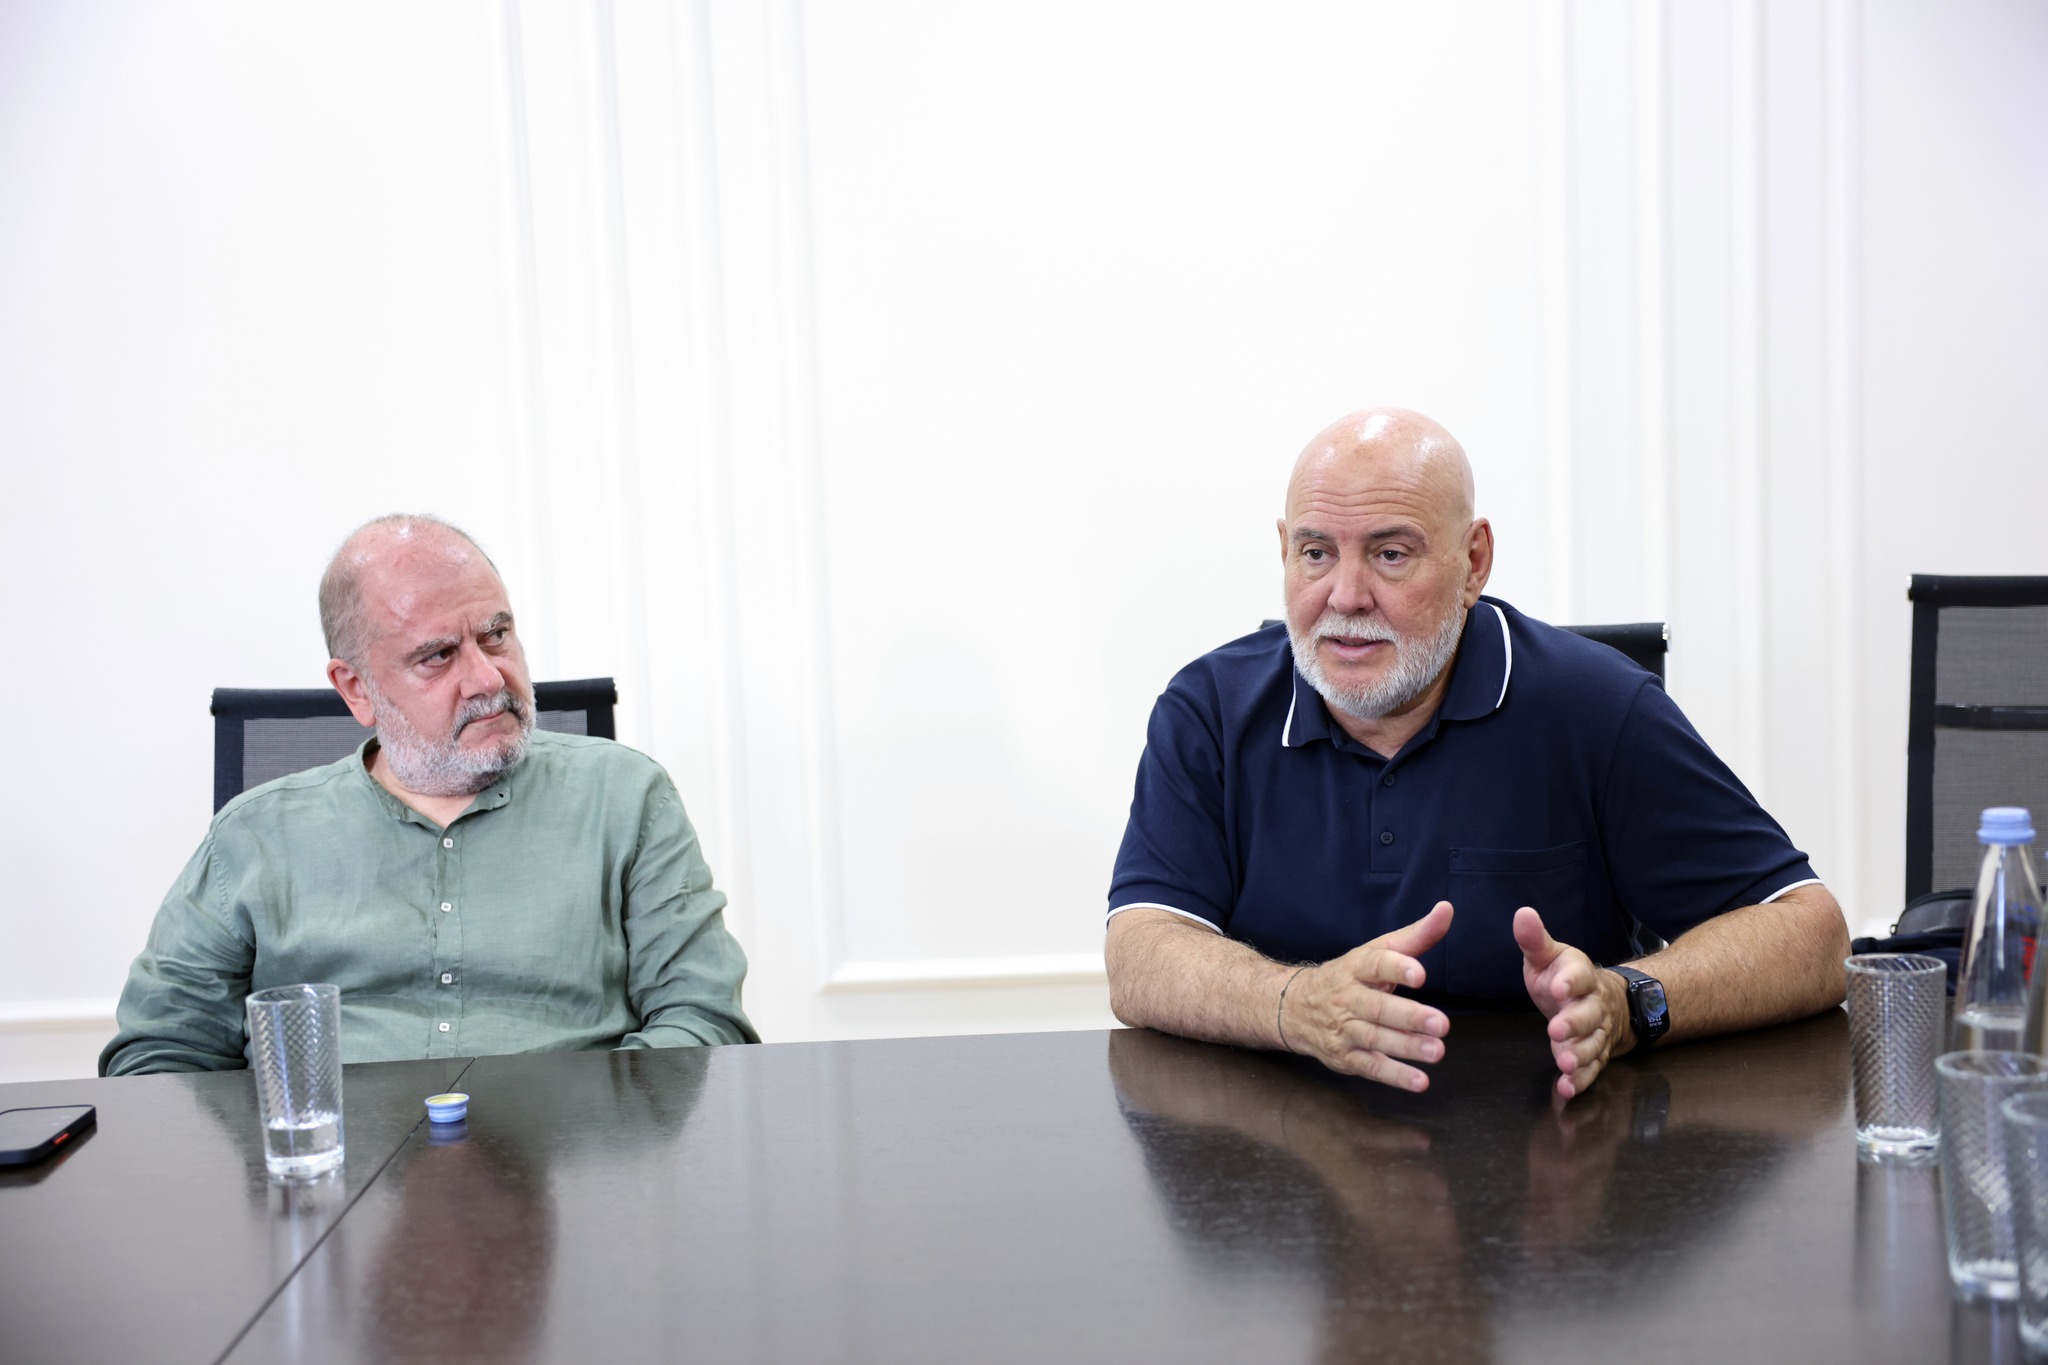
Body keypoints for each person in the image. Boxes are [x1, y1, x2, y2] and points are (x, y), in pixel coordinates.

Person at [1104, 408, 1848, 1099]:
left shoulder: (1596, 707)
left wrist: (1630, 1002)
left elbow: (1810, 933)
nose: (1346, 595)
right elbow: (1140, 952)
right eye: (1317, 552)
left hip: (1546, 1149)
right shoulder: (1209, 710)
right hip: (1279, 1160)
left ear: (1475, 560)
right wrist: (1296, 1005)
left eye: (1390, 554)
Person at [101, 514, 756, 1075]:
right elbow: (159, 1052)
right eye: (437, 655)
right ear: (356, 688)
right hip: (329, 1172)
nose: (487, 678)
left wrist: (582, 1128)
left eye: (496, 635)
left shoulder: (627, 797)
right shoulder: (254, 836)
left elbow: (703, 1019)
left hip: (569, 1163)